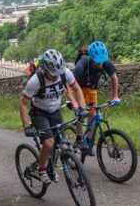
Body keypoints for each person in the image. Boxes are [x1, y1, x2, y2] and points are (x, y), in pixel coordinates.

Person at [19, 49, 88, 183]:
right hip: (39, 112)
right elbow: (23, 104)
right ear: (45, 70)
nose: (56, 76)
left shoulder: (65, 73)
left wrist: (82, 108)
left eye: (58, 73)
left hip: (55, 110)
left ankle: (52, 166)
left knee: (60, 142)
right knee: (49, 143)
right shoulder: (35, 81)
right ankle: (41, 169)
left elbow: (77, 89)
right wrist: (26, 126)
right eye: (53, 74)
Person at [72, 41, 120, 155]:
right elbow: (72, 83)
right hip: (78, 87)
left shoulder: (106, 61)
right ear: (91, 58)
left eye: (102, 61)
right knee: (82, 113)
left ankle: (88, 142)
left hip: (92, 88)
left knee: (93, 115)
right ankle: (79, 138)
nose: (100, 64)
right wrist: (75, 102)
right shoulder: (82, 63)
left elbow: (114, 78)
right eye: (97, 62)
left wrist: (115, 96)